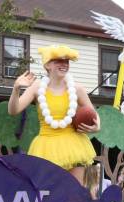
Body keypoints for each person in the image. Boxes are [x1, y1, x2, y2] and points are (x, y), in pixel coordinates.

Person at [8, 45, 100, 185]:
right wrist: (16, 89)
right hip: (46, 145)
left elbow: (94, 114)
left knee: (74, 191)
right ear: (47, 65)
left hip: (73, 145)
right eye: (58, 61)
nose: (64, 64)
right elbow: (13, 110)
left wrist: (97, 126)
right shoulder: (37, 87)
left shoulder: (77, 88)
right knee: (49, 193)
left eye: (66, 61)